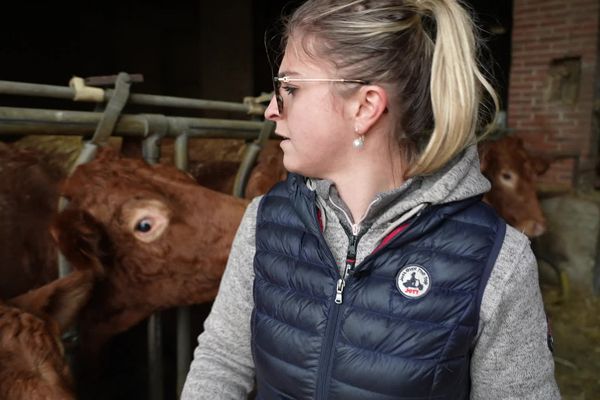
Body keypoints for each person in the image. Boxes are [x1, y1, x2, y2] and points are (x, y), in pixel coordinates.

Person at [182, 0, 560, 399]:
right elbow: (222, 359)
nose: (272, 110)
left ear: (364, 107)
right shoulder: (265, 220)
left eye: (290, 88)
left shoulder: (497, 260)